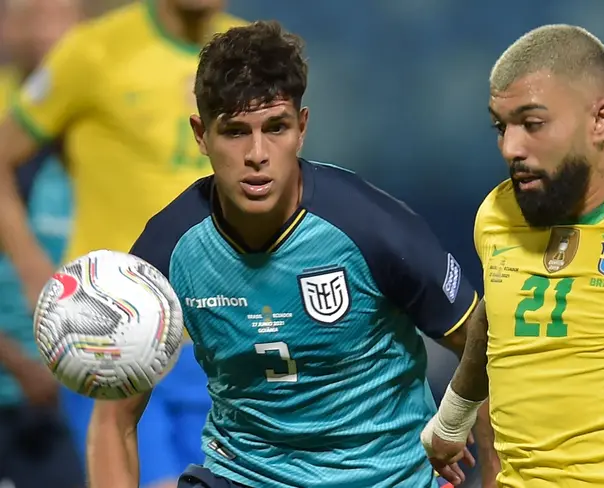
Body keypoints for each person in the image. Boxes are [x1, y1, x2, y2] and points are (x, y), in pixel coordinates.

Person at [88, 21, 491, 488]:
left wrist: (475, 451)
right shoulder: (167, 249)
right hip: (241, 475)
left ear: (301, 129)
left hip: (383, 478)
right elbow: (114, 417)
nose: (257, 154)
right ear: (201, 135)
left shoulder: (373, 228)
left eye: (275, 128)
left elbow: (485, 345)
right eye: (235, 131)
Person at [421, 23, 604, 488]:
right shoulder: (498, 214)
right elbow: (496, 318)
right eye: (501, 127)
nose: (511, 148)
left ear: (601, 120)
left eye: (533, 123)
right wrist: (452, 420)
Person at [0, 1, 245, 487]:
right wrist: (31, 266)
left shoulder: (250, 52)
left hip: (222, 336)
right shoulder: (93, 52)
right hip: (115, 336)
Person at [0, 0, 82, 487]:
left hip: (80, 386)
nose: (46, 33)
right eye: (34, 15)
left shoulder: (100, 133)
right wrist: (17, 360)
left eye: (60, 16)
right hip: (17, 384)